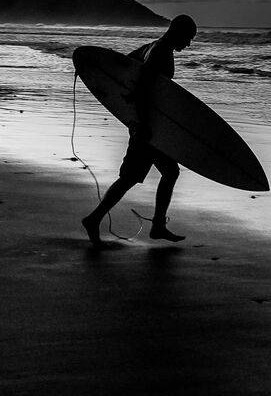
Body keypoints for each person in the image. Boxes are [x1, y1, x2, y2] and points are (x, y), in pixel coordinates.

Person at [82, 14, 198, 246]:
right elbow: (144, 88)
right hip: (147, 128)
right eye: (188, 38)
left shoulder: (152, 47)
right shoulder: (161, 52)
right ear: (177, 32)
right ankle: (94, 219)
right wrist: (141, 125)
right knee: (131, 178)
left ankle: (157, 225)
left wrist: (125, 99)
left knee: (167, 173)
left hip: (149, 125)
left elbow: (124, 68)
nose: (188, 44)